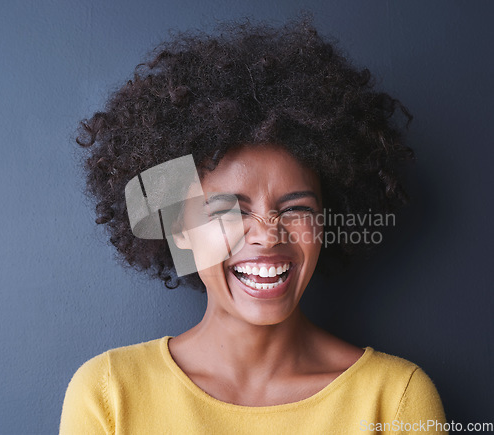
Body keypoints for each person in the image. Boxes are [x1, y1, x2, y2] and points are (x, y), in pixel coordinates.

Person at [60, 18, 448, 434]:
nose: (267, 234)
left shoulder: (394, 400)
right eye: (229, 210)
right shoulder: (110, 394)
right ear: (179, 229)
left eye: (296, 208)